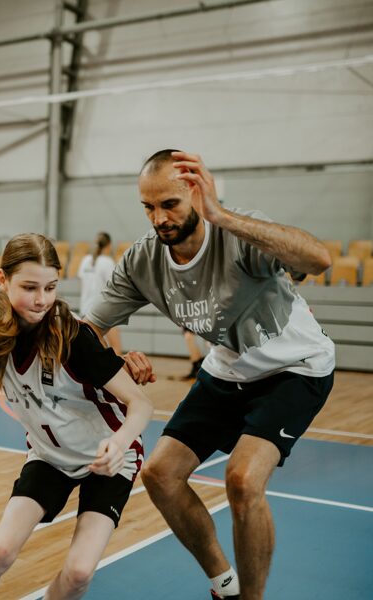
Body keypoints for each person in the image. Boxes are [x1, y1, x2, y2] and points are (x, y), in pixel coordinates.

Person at [83, 150, 335, 600]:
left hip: (294, 369)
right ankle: (225, 584)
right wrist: (111, 359)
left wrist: (222, 215)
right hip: (227, 373)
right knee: (159, 473)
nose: (159, 218)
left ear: (197, 195)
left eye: (170, 204)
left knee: (241, 479)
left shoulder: (236, 236)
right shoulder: (144, 261)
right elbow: (86, 330)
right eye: (148, 207)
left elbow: (319, 259)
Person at [0, 233, 153, 600]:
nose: (42, 299)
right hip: (49, 457)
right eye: (29, 287)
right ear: (2, 280)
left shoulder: (73, 337)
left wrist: (118, 444)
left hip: (108, 459)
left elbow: (141, 405)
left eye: (51, 287)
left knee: (77, 574)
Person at [77, 232, 122, 354]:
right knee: (115, 350)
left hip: (85, 311)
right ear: (109, 245)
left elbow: (81, 283)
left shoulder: (85, 260)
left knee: (93, 351)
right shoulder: (107, 262)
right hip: (103, 312)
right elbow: (114, 287)